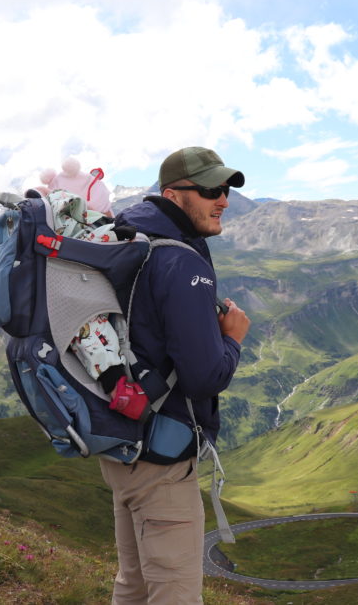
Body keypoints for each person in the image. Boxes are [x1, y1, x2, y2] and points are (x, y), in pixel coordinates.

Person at [102, 146, 251, 604]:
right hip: (163, 459)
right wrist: (233, 338)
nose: (223, 199)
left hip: (122, 442)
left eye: (224, 189)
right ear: (173, 194)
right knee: (175, 594)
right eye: (210, 190)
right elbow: (204, 377)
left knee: (137, 583)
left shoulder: (126, 236)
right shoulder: (181, 261)